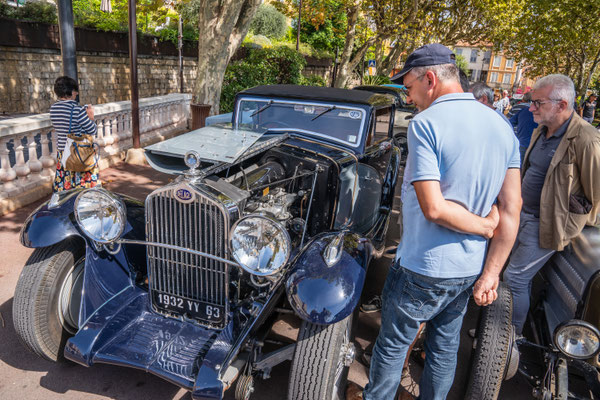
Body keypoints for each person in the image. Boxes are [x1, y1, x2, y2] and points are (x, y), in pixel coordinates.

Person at [358, 43, 522, 400]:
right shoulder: (502, 125)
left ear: (429, 79)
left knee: (393, 345)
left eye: (409, 87)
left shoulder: (426, 124)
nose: (408, 96)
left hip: (423, 264)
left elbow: (433, 207)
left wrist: (483, 226)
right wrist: (491, 272)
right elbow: (512, 208)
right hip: (469, 266)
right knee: (444, 346)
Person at [503, 74, 600, 335]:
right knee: (507, 273)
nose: (531, 107)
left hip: (545, 225)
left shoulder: (586, 139)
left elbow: (596, 193)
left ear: (561, 105)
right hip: (521, 216)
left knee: (514, 279)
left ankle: (508, 340)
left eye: (537, 102)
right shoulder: (541, 130)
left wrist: (572, 224)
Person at [50, 76, 99, 192]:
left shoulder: (53, 109)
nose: (76, 94)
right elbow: (93, 130)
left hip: (62, 152)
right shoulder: (77, 110)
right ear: (71, 92)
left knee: (65, 184)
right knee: (82, 187)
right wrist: (91, 117)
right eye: (75, 91)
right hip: (78, 151)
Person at [508, 91, 538, 163]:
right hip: (535, 146)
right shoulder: (541, 113)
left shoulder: (523, 110)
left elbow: (509, 122)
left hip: (521, 142)